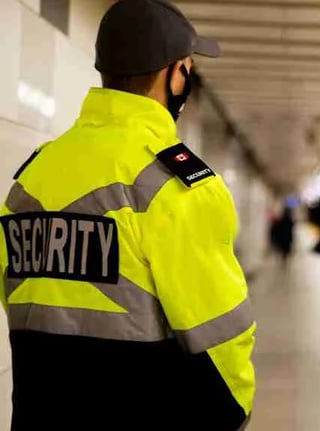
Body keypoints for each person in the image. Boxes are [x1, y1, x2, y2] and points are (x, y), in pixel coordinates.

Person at [0, 1, 255, 429]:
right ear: (176, 74)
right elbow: (220, 338)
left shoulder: (33, 175)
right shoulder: (175, 186)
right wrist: (235, 411)